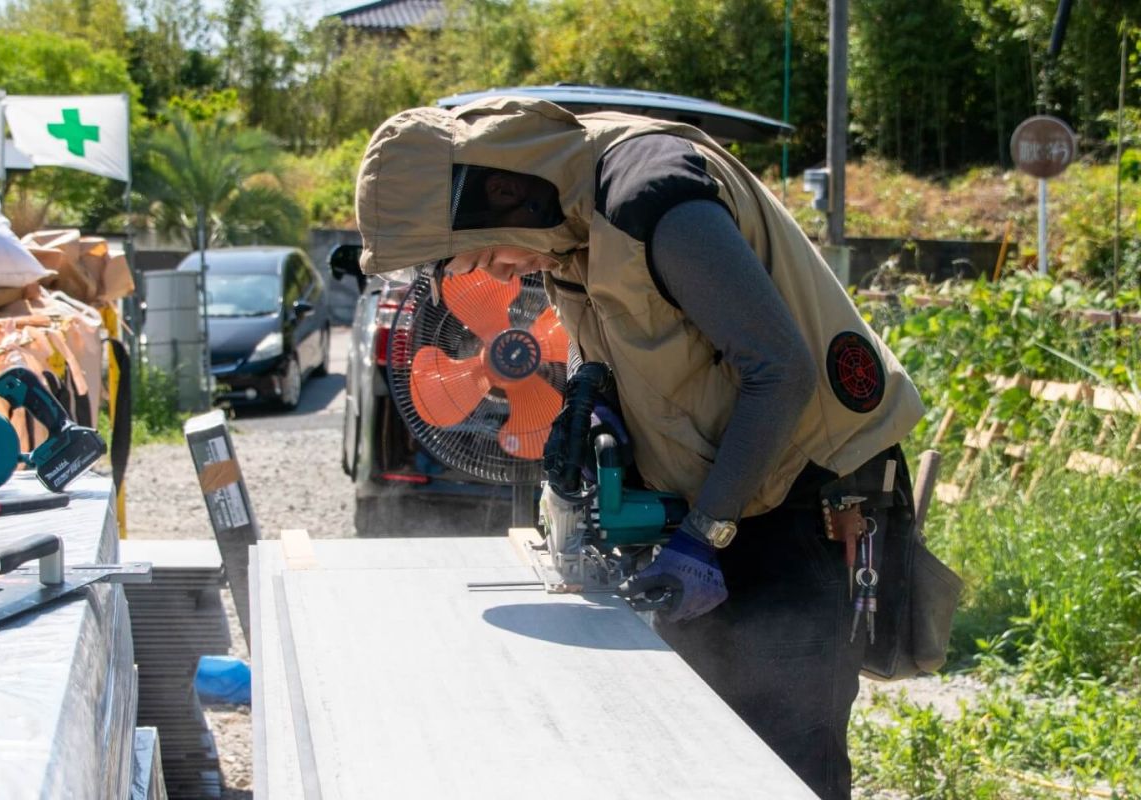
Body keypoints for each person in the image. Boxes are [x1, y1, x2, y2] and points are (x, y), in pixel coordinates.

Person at [355, 97, 924, 800]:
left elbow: (781, 372)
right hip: (732, 495)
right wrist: (598, 398)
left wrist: (704, 533)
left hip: (810, 492)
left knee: (782, 756)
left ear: (500, 189)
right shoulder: (566, 228)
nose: (498, 276)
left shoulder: (652, 194)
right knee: (702, 742)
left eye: (485, 254)